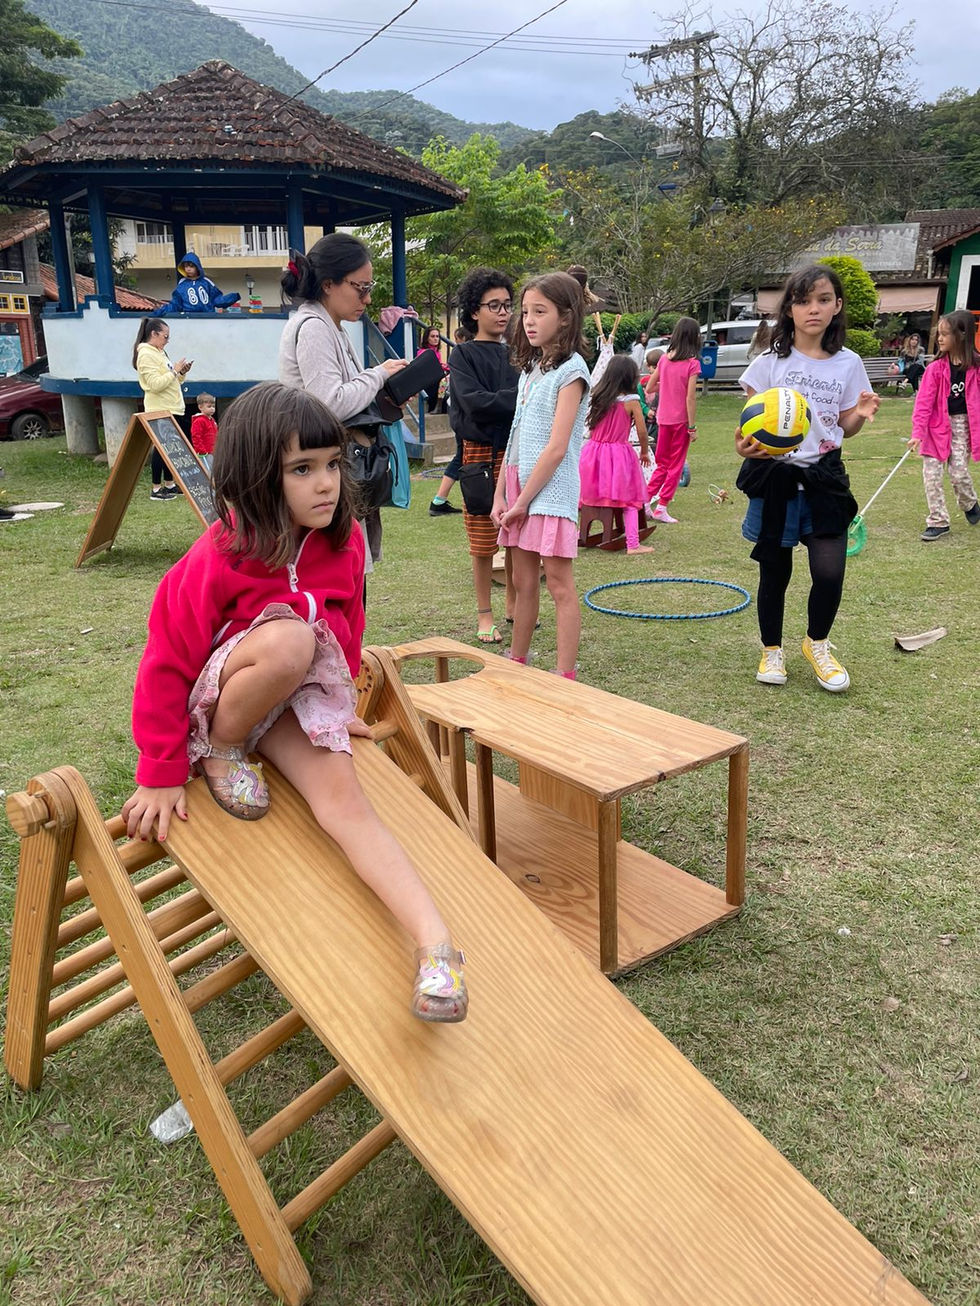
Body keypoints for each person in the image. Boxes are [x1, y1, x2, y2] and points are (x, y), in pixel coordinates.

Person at [121, 382, 467, 1023]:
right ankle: (224, 751)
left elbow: (349, 626)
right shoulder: (219, 556)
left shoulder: (345, 544)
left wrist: (347, 705)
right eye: (302, 469)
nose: (326, 483)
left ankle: (435, 946)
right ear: (256, 477)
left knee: (348, 808)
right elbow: (166, 662)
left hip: (296, 703)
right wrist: (161, 771)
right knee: (289, 640)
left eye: (332, 464)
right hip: (227, 696)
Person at [736, 263, 879, 692]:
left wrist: (859, 414)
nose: (812, 309)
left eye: (822, 300)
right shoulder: (769, 363)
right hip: (775, 478)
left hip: (825, 478)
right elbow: (747, 428)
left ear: (837, 306)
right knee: (774, 572)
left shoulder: (849, 364)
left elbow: (845, 425)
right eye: (802, 301)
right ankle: (772, 649)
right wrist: (743, 446)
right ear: (790, 309)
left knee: (830, 570)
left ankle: (817, 644)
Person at [278, 233, 406, 566]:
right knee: (335, 575)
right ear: (328, 284)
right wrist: (379, 374)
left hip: (336, 465)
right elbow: (330, 403)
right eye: (360, 288)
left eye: (369, 287)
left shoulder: (331, 325)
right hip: (319, 468)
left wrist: (384, 395)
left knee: (348, 573)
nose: (366, 298)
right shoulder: (314, 327)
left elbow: (349, 398)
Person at [492, 271, 590, 678]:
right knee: (522, 581)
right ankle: (518, 661)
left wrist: (521, 502)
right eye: (526, 312)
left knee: (559, 585)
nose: (528, 321)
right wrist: (501, 494)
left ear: (565, 317)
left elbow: (556, 447)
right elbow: (514, 436)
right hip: (519, 487)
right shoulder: (531, 370)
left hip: (549, 492)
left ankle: (565, 675)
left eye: (540, 312)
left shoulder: (573, 372)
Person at [449, 268, 519, 643]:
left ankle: (512, 603)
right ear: (475, 311)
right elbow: (474, 405)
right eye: (495, 305)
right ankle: (483, 613)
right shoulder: (463, 355)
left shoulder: (519, 353)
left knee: (515, 533)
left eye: (508, 305)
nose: (503, 313)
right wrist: (512, 402)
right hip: (477, 456)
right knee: (481, 541)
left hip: (517, 452)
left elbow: (527, 404)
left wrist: (505, 405)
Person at [907, 308, 980, 542]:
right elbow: (923, 404)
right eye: (939, 333)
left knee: (959, 473)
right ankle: (938, 521)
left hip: (962, 426)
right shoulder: (935, 369)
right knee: (931, 475)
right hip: (935, 427)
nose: (940, 339)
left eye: (945, 334)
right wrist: (918, 432)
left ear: (962, 335)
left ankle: (970, 504)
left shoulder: (976, 368)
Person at [580, 354, 653, 555]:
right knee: (629, 498)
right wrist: (645, 452)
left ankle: (580, 533)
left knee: (590, 495)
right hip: (619, 454)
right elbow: (642, 431)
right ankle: (633, 544)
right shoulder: (631, 401)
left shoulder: (598, 396)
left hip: (593, 452)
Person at [644, 316, 701, 523]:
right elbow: (690, 397)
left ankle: (645, 501)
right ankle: (662, 506)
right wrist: (692, 426)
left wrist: (666, 387)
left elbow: (649, 387)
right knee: (675, 465)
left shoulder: (664, 359)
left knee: (662, 463)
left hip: (662, 419)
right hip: (680, 421)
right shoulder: (692, 364)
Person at [133, 316, 190, 501]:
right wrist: (174, 371)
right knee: (161, 449)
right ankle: (156, 489)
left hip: (173, 406)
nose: (167, 340)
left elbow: (171, 378)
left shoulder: (159, 352)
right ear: (154, 334)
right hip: (159, 408)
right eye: (165, 336)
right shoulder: (145, 354)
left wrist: (181, 372)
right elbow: (155, 384)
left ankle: (170, 483)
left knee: (171, 448)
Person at [159, 252, 240, 315]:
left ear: (197, 267)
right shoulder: (182, 284)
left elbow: (216, 299)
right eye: (186, 266)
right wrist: (162, 310)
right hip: (189, 320)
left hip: (208, 318)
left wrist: (232, 297)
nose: (188, 269)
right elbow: (176, 304)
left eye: (191, 266)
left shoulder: (206, 282)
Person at [417, 324, 450, 415]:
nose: (436, 338)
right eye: (432, 336)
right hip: (428, 382)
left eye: (437, 336)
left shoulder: (437, 352)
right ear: (427, 338)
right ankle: (438, 405)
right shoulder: (423, 352)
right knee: (445, 378)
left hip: (437, 380)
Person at [190, 392, 218, 472]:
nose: (212, 409)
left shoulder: (212, 420)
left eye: (213, 406)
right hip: (205, 452)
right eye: (209, 407)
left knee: (214, 469)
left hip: (213, 450)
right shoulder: (199, 421)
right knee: (207, 470)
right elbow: (196, 436)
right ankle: (208, 483)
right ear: (200, 407)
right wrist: (200, 450)